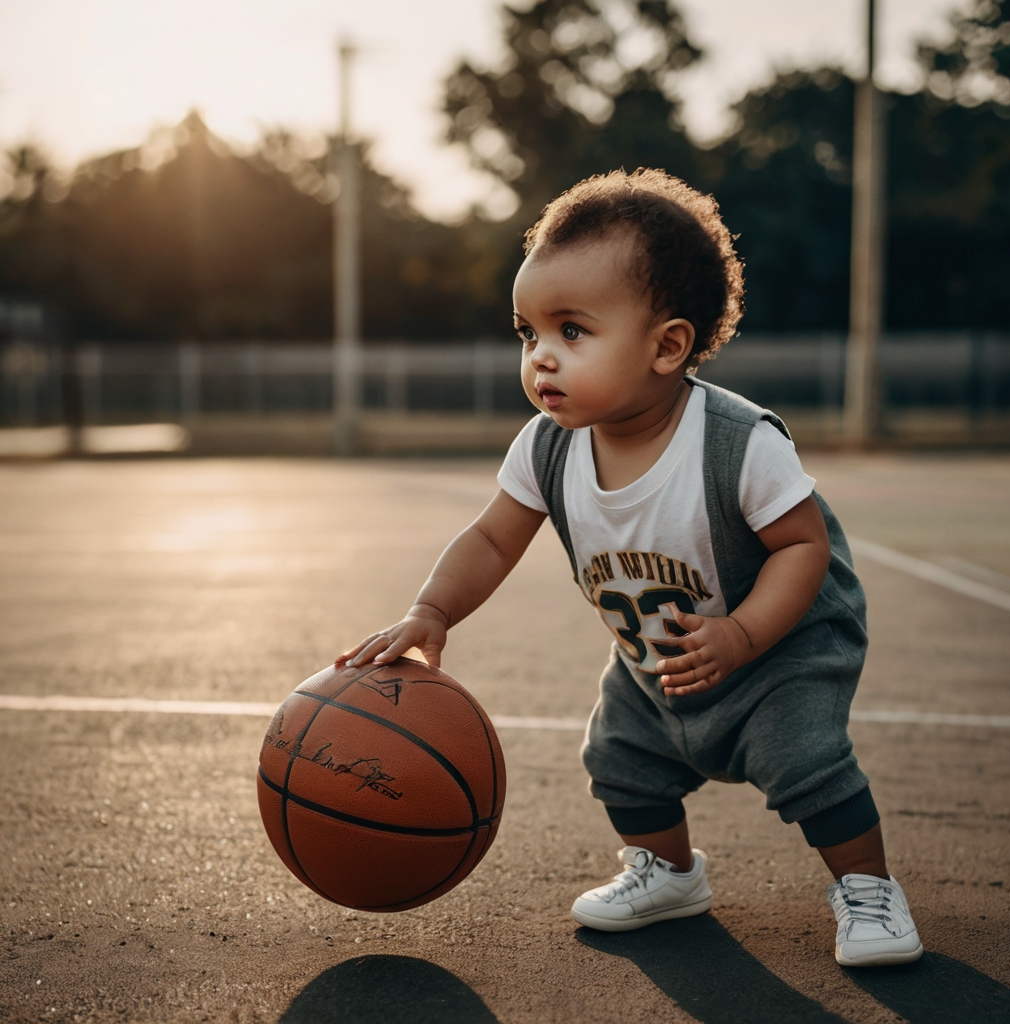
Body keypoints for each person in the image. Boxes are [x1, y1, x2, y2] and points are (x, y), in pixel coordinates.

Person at [338, 168, 923, 967]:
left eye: (571, 332)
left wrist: (745, 636)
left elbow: (805, 546)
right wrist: (432, 611)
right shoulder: (547, 447)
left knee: (806, 764)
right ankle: (669, 872)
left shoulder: (737, 442)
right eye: (528, 334)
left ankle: (868, 890)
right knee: (619, 759)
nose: (541, 358)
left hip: (779, 648)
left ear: (667, 346)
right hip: (655, 655)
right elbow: (491, 538)